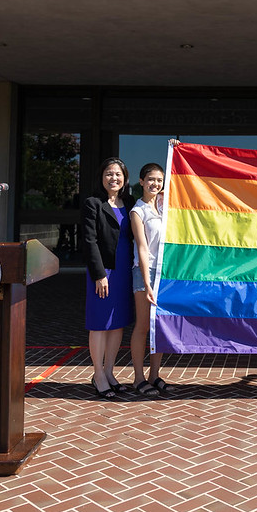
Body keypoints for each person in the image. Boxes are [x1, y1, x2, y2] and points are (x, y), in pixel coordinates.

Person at [82, 157, 135, 399]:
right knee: (100, 323)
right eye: (108, 174)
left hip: (125, 271)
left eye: (118, 174)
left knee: (117, 323)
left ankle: (110, 372)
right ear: (102, 178)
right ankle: (98, 375)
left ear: (125, 178)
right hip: (105, 271)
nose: (113, 178)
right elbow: (89, 241)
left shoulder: (131, 202)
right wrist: (99, 274)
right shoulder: (93, 203)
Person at [129, 162, 175, 396]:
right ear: (141, 182)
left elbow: (181, 187)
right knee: (143, 325)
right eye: (151, 180)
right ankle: (138, 378)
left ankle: (154, 375)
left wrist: (175, 150)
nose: (155, 184)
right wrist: (147, 283)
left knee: (159, 326)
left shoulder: (162, 204)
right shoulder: (138, 211)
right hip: (145, 272)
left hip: (164, 272)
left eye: (159, 180)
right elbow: (142, 248)